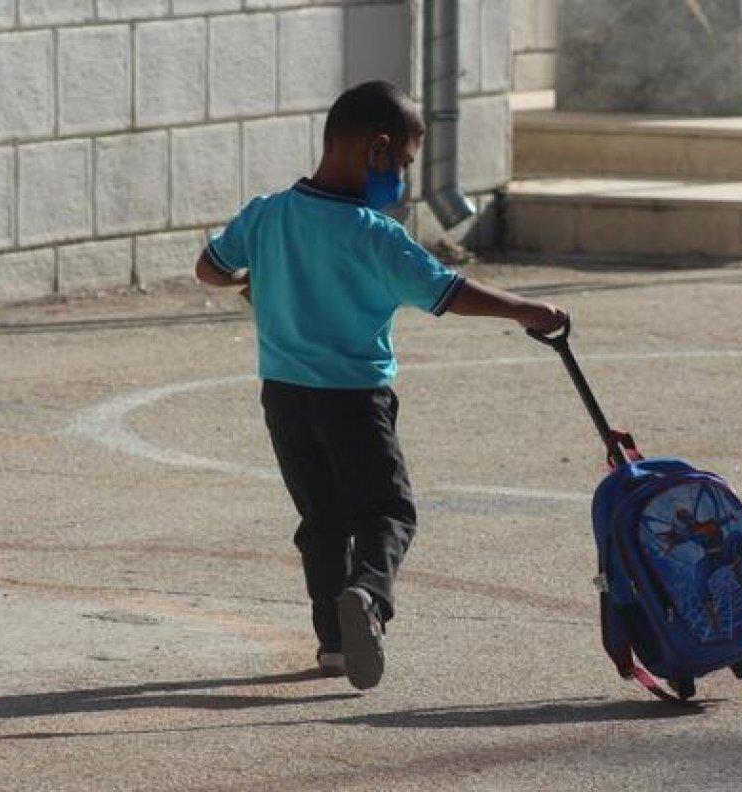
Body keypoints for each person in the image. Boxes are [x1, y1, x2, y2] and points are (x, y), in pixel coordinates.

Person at [196, 81, 568, 690]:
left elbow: (208, 268)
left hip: (284, 399)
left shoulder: (266, 214)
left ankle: (335, 646)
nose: (402, 177)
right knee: (387, 510)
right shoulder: (375, 234)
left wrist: (255, 274)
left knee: (321, 520)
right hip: (355, 400)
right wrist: (528, 309)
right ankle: (369, 593)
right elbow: (449, 293)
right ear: (376, 151)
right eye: (404, 163)